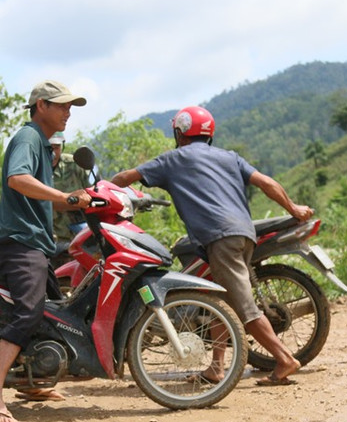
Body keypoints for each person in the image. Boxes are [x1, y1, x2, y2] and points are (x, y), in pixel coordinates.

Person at [111, 106, 307, 386]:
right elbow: (266, 182)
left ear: (179, 133)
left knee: (245, 309)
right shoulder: (229, 157)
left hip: (220, 238)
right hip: (244, 233)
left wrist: (100, 192)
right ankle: (217, 367)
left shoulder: (173, 159)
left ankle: (285, 358)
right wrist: (294, 207)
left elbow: (125, 178)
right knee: (222, 303)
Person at [0, 80, 92, 422]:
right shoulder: (28, 138)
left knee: (55, 308)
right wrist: (65, 197)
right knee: (30, 311)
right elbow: (17, 179)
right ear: (41, 106)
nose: (68, 112)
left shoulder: (40, 141)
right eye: (62, 105)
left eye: (71, 106)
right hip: (19, 242)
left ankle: (30, 382)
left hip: (36, 242)